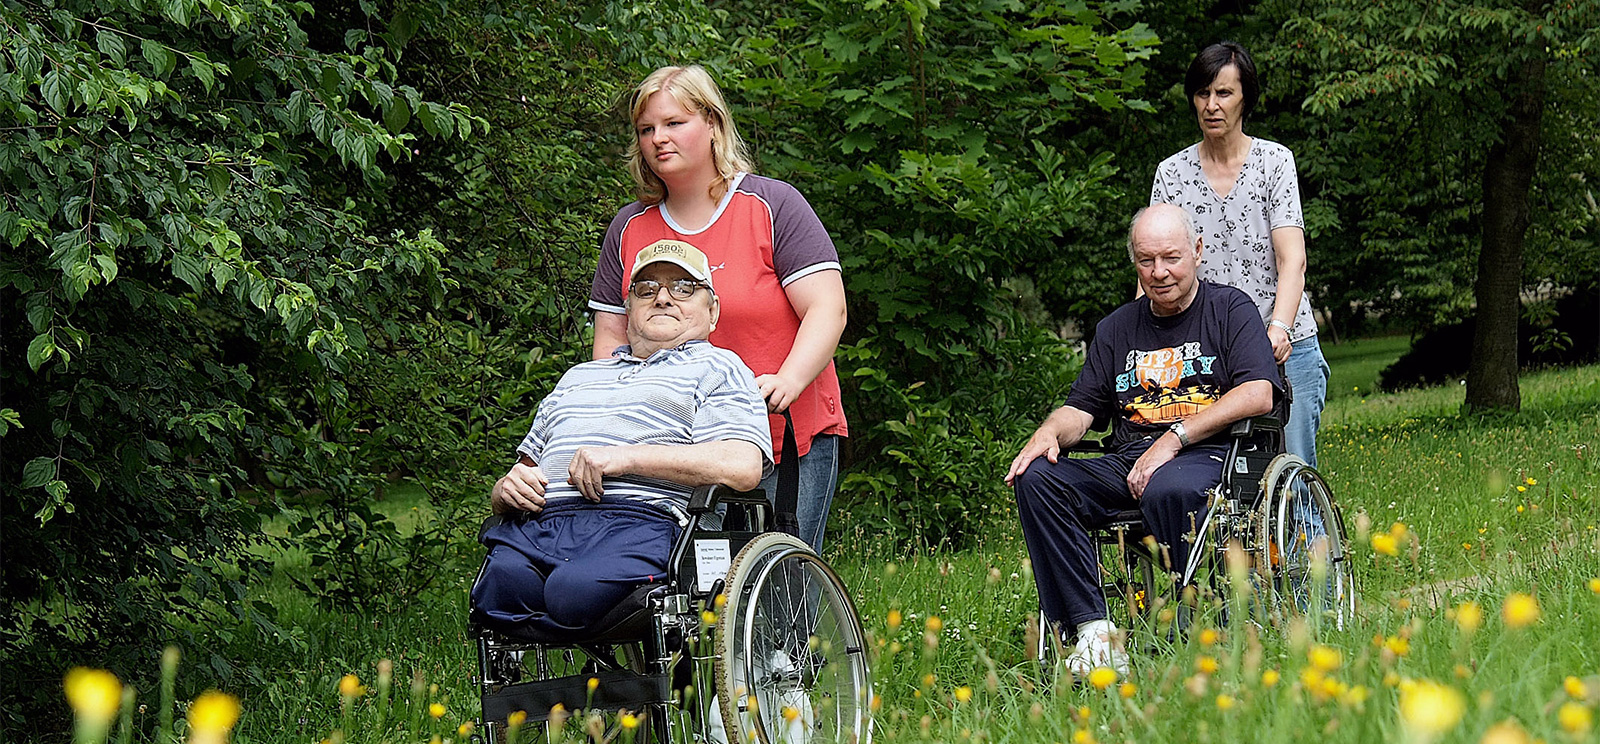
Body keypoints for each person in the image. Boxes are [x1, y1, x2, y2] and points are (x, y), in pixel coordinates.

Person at [1005, 205, 1280, 674]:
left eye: (1171, 258)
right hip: (1128, 458)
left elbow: (1258, 392)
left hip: (1212, 452)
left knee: (1168, 485)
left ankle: (1200, 617)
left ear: (1196, 251)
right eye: (1146, 261)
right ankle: (1094, 633)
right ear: (1134, 262)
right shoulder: (1116, 328)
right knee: (1038, 479)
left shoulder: (1230, 308)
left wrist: (1175, 437)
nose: (1160, 272)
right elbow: (1082, 410)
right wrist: (1048, 432)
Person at [588, 65, 848, 552]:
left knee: (778, 595)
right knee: (685, 597)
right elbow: (610, 342)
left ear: (712, 123)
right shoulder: (629, 228)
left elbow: (828, 310)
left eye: (674, 123)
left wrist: (787, 380)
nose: (658, 139)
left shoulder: (771, 205)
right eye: (646, 130)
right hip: (668, 445)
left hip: (780, 432)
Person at [472, 241, 773, 635]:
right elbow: (522, 471)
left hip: (640, 523)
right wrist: (504, 489)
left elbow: (742, 466)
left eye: (683, 287)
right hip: (540, 524)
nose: (663, 298)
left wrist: (626, 458)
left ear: (712, 310)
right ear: (628, 309)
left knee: (573, 592)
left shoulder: (719, 366)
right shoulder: (578, 377)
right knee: (502, 586)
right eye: (646, 289)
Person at [1149, 41, 1329, 467]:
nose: (1212, 105)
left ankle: (1313, 537)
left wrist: (1279, 329)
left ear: (1245, 97)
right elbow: (1156, 269)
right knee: (1218, 485)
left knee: (1293, 473)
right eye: (1203, 94)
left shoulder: (1274, 162)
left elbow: (1293, 261)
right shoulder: (1171, 173)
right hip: (1206, 354)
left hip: (1287, 347)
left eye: (1224, 93)